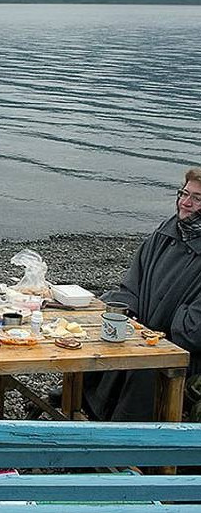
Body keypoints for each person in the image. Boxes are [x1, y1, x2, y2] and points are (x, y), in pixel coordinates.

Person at [83, 167, 201, 421]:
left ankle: (126, 438)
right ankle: (81, 406)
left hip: (185, 352)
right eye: (184, 194)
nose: (185, 203)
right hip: (145, 332)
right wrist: (122, 311)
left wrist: (160, 328)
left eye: (197, 198)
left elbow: (194, 329)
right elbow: (133, 282)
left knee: (146, 365)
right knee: (98, 333)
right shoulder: (167, 231)